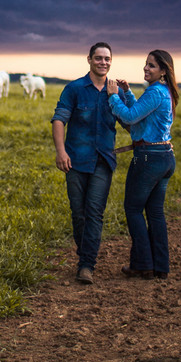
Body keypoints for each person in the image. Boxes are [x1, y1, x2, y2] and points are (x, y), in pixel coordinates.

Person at [107, 49, 178, 280]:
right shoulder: (163, 91)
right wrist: (127, 93)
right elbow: (140, 113)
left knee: (133, 209)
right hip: (165, 156)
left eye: (152, 66)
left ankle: (142, 264)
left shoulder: (155, 91)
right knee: (155, 213)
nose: (146, 68)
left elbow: (129, 118)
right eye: (146, 64)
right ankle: (160, 266)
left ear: (163, 71)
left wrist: (113, 96)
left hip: (148, 158)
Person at [51, 42, 118, 284]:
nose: (103, 62)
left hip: (103, 160)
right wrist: (61, 152)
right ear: (88, 59)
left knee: (94, 213)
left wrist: (123, 96)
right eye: (98, 58)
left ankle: (87, 264)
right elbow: (59, 120)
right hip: (76, 160)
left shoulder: (116, 91)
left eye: (107, 59)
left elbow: (131, 121)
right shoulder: (75, 89)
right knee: (78, 213)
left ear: (111, 61)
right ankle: (84, 254)